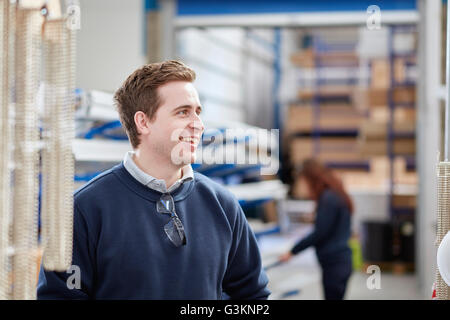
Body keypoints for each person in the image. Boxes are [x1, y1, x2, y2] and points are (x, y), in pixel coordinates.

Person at [37, 60, 270, 300]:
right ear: (143, 122)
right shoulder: (84, 210)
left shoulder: (223, 205)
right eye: (183, 112)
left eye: (197, 112)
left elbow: (253, 296)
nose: (198, 125)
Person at [279, 158, 353, 300]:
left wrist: (293, 251)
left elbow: (319, 233)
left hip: (335, 264)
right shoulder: (335, 194)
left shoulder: (328, 198)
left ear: (310, 178)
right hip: (340, 262)